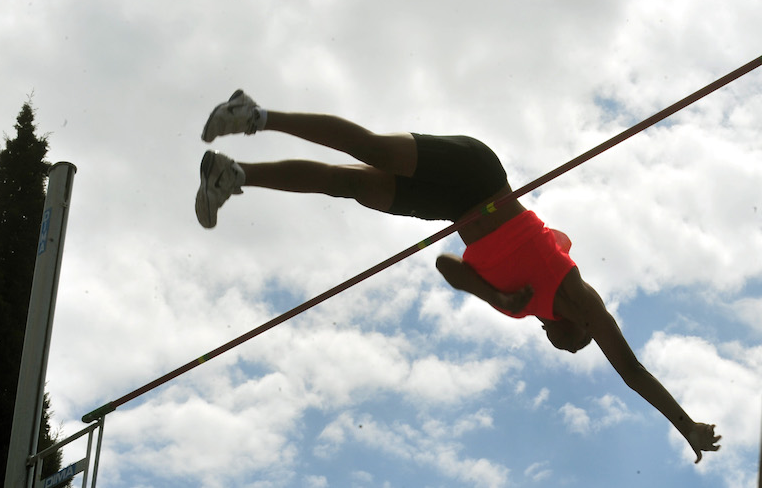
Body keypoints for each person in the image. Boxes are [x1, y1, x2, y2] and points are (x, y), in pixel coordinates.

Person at [195, 90, 722, 462]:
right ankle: (254, 114)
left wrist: (493, 295)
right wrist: (686, 426)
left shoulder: (520, 305)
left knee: (349, 184)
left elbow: (448, 266)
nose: (562, 348)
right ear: (579, 329)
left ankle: (234, 175)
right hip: (478, 176)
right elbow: (631, 370)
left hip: (455, 210)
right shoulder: (578, 299)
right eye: (574, 346)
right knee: (373, 149)